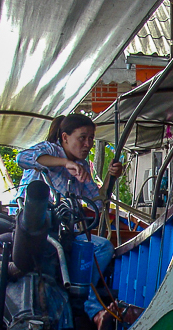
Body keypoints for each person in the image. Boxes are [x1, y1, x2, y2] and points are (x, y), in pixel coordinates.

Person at [16, 113, 124, 274]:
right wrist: (65, 163)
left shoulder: (83, 165)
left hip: (65, 233)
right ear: (65, 137)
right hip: (31, 227)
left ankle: (83, 295)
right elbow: (21, 158)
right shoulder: (50, 149)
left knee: (104, 247)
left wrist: (111, 175)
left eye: (91, 138)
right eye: (82, 138)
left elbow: (98, 200)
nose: (88, 144)